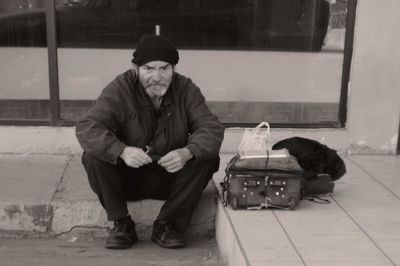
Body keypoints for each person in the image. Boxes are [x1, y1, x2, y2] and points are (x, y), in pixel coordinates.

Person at [75, 34, 224, 249]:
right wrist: (121, 151)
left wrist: (187, 152)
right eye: (148, 69)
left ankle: (167, 225)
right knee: (93, 157)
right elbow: (88, 126)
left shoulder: (185, 88)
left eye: (165, 68)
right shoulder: (121, 87)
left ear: (173, 69)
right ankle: (122, 223)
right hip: (129, 177)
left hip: (171, 178)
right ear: (136, 69)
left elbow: (211, 128)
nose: (157, 77)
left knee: (207, 158)